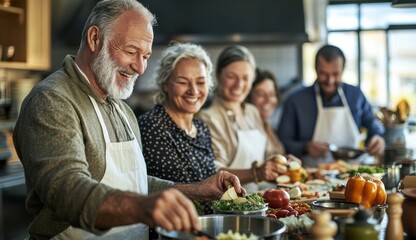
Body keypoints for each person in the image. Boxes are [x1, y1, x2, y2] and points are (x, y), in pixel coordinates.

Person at [12, 1, 244, 239]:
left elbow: (135, 185)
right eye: (132, 51)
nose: (140, 67)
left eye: (146, 56)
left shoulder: (122, 109)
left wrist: (196, 190)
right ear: (94, 39)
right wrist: (143, 207)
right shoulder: (52, 100)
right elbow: (67, 192)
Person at [199, 45, 292, 192]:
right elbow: (212, 173)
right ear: (218, 75)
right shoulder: (209, 118)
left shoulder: (252, 112)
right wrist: (256, 173)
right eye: (231, 77)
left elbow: (270, 154)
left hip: (258, 200)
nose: (239, 85)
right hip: (227, 205)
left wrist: (284, 163)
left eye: (245, 78)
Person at [137, 42, 216, 213]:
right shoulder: (152, 126)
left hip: (206, 227)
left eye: (201, 82)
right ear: (165, 84)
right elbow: (148, 188)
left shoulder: (202, 129)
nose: (193, 91)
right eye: (183, 82)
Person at [277, 44, 385, 167]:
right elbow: (283, 142)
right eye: (324, 74)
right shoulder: (295, 100)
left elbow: (373, 124)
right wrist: (305, 147)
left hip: (353, 174)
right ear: (316, 69)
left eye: (335, 74)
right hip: (311, 177)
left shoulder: (355, 95)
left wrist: (377, 137)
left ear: (343, 70)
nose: (330, 81)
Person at [246, 68, 286, 156]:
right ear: (248, 96)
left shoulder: (268, 126)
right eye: (260, 94)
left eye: (272, 94)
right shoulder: (247, 128)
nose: (268, 100)